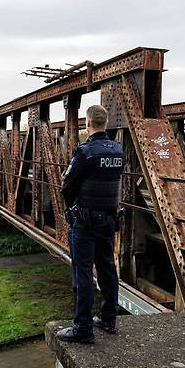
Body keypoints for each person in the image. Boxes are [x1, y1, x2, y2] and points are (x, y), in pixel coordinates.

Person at [57, 104, 123, 344]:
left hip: (85, 222)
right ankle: (108, 318)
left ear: (87, 124)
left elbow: (67, 187)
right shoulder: (117, 150)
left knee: (82, 272)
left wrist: (72, 207)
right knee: (107, 268)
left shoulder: (85, 152)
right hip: (108, 220)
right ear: (105, 123)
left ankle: (82, 327)